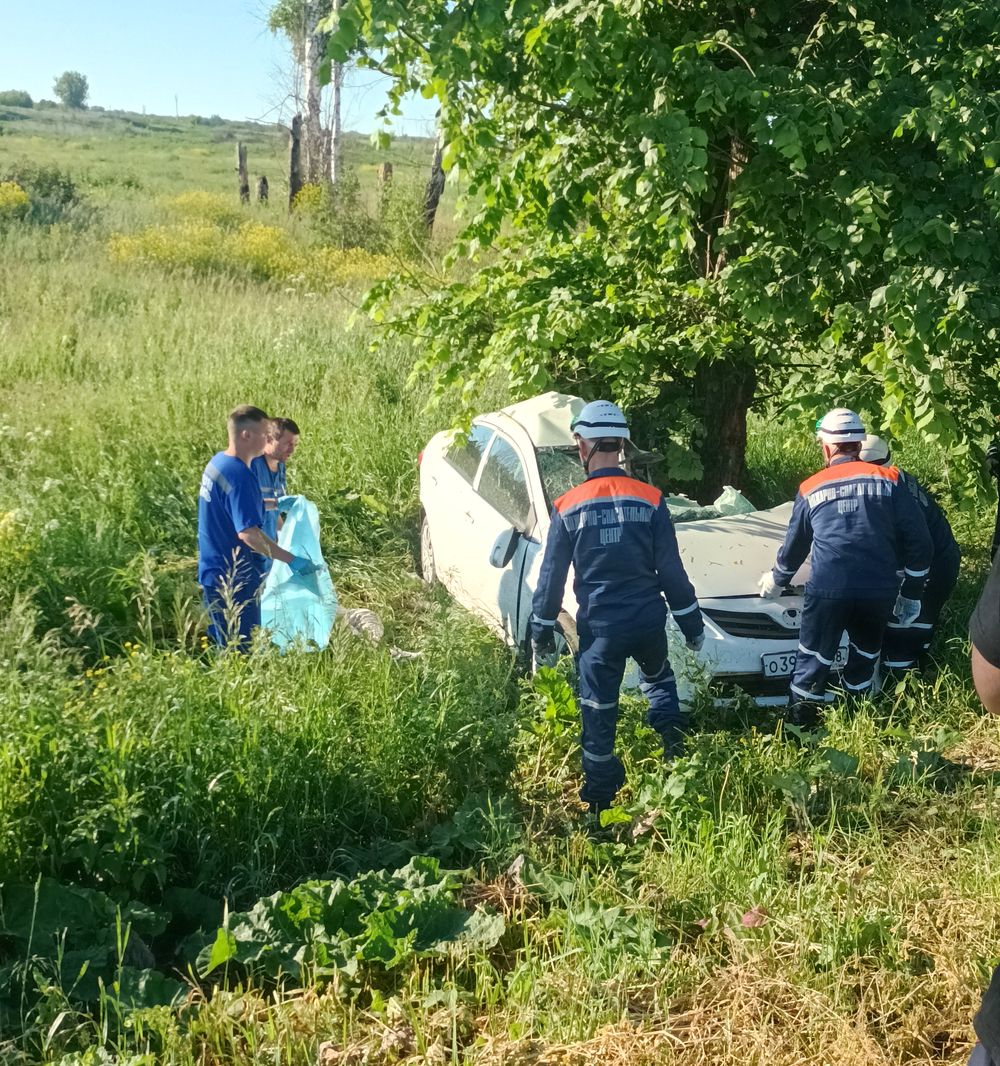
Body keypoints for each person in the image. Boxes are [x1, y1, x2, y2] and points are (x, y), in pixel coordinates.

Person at [530, 399, 705, 824]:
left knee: (598, 710)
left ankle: (600, 803)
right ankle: (675, 765)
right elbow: (672, 572)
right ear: (623, 442)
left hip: (601, 630)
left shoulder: (568, 505)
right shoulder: (650, 499)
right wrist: (692, 624)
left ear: (581, 445)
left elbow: (551, 578)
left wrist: (539, 632)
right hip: (648, 621)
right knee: (660, 682)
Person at [759, 408, 933, 725]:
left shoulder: (810, 487)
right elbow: (921, 543)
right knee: (866, 655)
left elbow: (796, 545)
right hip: (879, 590)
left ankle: (800, 731)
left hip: (829, 590)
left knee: (812, 659)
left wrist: (776, 580)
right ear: (858, 444)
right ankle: (856, 725)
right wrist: (911, 593)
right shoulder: (891, 479)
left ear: (826, 447)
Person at [198, 405, 318, 649]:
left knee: (225, 641)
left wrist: (275, 504)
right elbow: (248, 534)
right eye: (265, 434)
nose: (268, 439)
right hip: (234, 577)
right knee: (242, 652)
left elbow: (233, 506)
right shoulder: (241, 475)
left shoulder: (218, 462)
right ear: (246, 435)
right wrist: (291, 559)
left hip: (213, 568)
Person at [859, 435, 961, 670]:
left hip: (932, 565)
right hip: (937, 558)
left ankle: (905, 681)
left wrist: (911, 590)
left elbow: (920, 546)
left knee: (907, 628)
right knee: (904, 623)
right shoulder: (895, 479)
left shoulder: (893, 493)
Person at [250, 417, 300, 545]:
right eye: (287, 444)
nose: (292, 450)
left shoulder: (280, 466)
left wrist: (285, 542)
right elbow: (244, 507)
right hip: (250, 549)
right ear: (269, 439)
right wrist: (277, 503)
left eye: (295, 444)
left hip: (269, 551)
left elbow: (274, 513)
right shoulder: (251, 466)